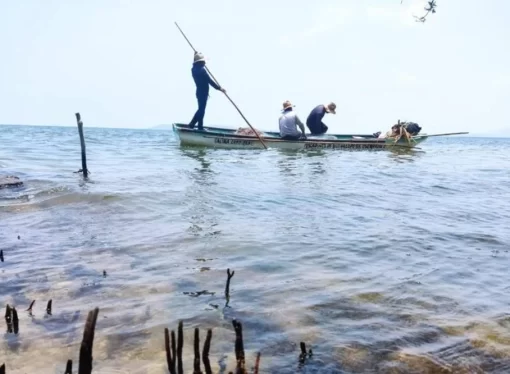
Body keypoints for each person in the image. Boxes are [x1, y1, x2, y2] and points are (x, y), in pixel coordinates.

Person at [188, 52, 226, 130]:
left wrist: (195, 55)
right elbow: (210, 81)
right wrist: (219, 88)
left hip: (198, 92)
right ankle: (195, 125)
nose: (205, 62)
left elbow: (195, 65)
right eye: (203, 61)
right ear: (201, 62)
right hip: (203, 92)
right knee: (201, 110)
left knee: (201, 109)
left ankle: (196, 125)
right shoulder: (202, 70)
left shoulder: (193, 70)